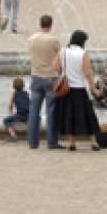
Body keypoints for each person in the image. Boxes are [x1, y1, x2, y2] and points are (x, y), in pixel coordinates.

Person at [52, 30, 104, 151]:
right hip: (79, 88)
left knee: (69, 116)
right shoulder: (83, 54)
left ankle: (72, 142)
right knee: (87, 115)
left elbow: (55, 67)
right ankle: (93, 142)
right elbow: (88, 73)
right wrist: (94, 88)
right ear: (82, 41)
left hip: (65, 89)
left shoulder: (63, 51)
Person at [28, 15, 64, 150]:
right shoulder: (53, 40)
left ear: (40, 24)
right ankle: (52, 141)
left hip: (36, 75)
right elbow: (60, 56)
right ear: (51, 25)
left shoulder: (32, 39)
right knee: (51, 110)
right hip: (50, 76)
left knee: (34, 110)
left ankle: (32, 142)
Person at [3, 78, 30, 143]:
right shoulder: (26, 93)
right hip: (29, 114)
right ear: (23, 86)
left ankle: (13, 135)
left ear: (13, 87)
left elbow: (10, 106)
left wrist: (10, 114)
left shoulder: (14, 94)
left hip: (20, 114)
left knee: (6, 120)